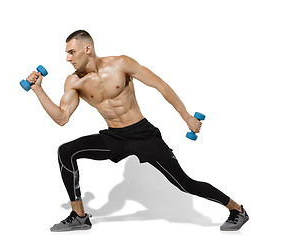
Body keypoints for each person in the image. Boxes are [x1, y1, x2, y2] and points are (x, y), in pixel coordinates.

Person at [25, 30, 249, 232]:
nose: (68, 58)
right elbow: (62, 118)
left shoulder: (121, 64)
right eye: (67, 53)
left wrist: (187, 117)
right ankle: (79, 216)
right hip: (114, 137)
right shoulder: (74, 82)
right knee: (66, 151)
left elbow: (160, 85)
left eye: (71, 52)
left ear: (87, 48)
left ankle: (237, 209)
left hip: (142, 134)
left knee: (184, 183)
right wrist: (38, 90)